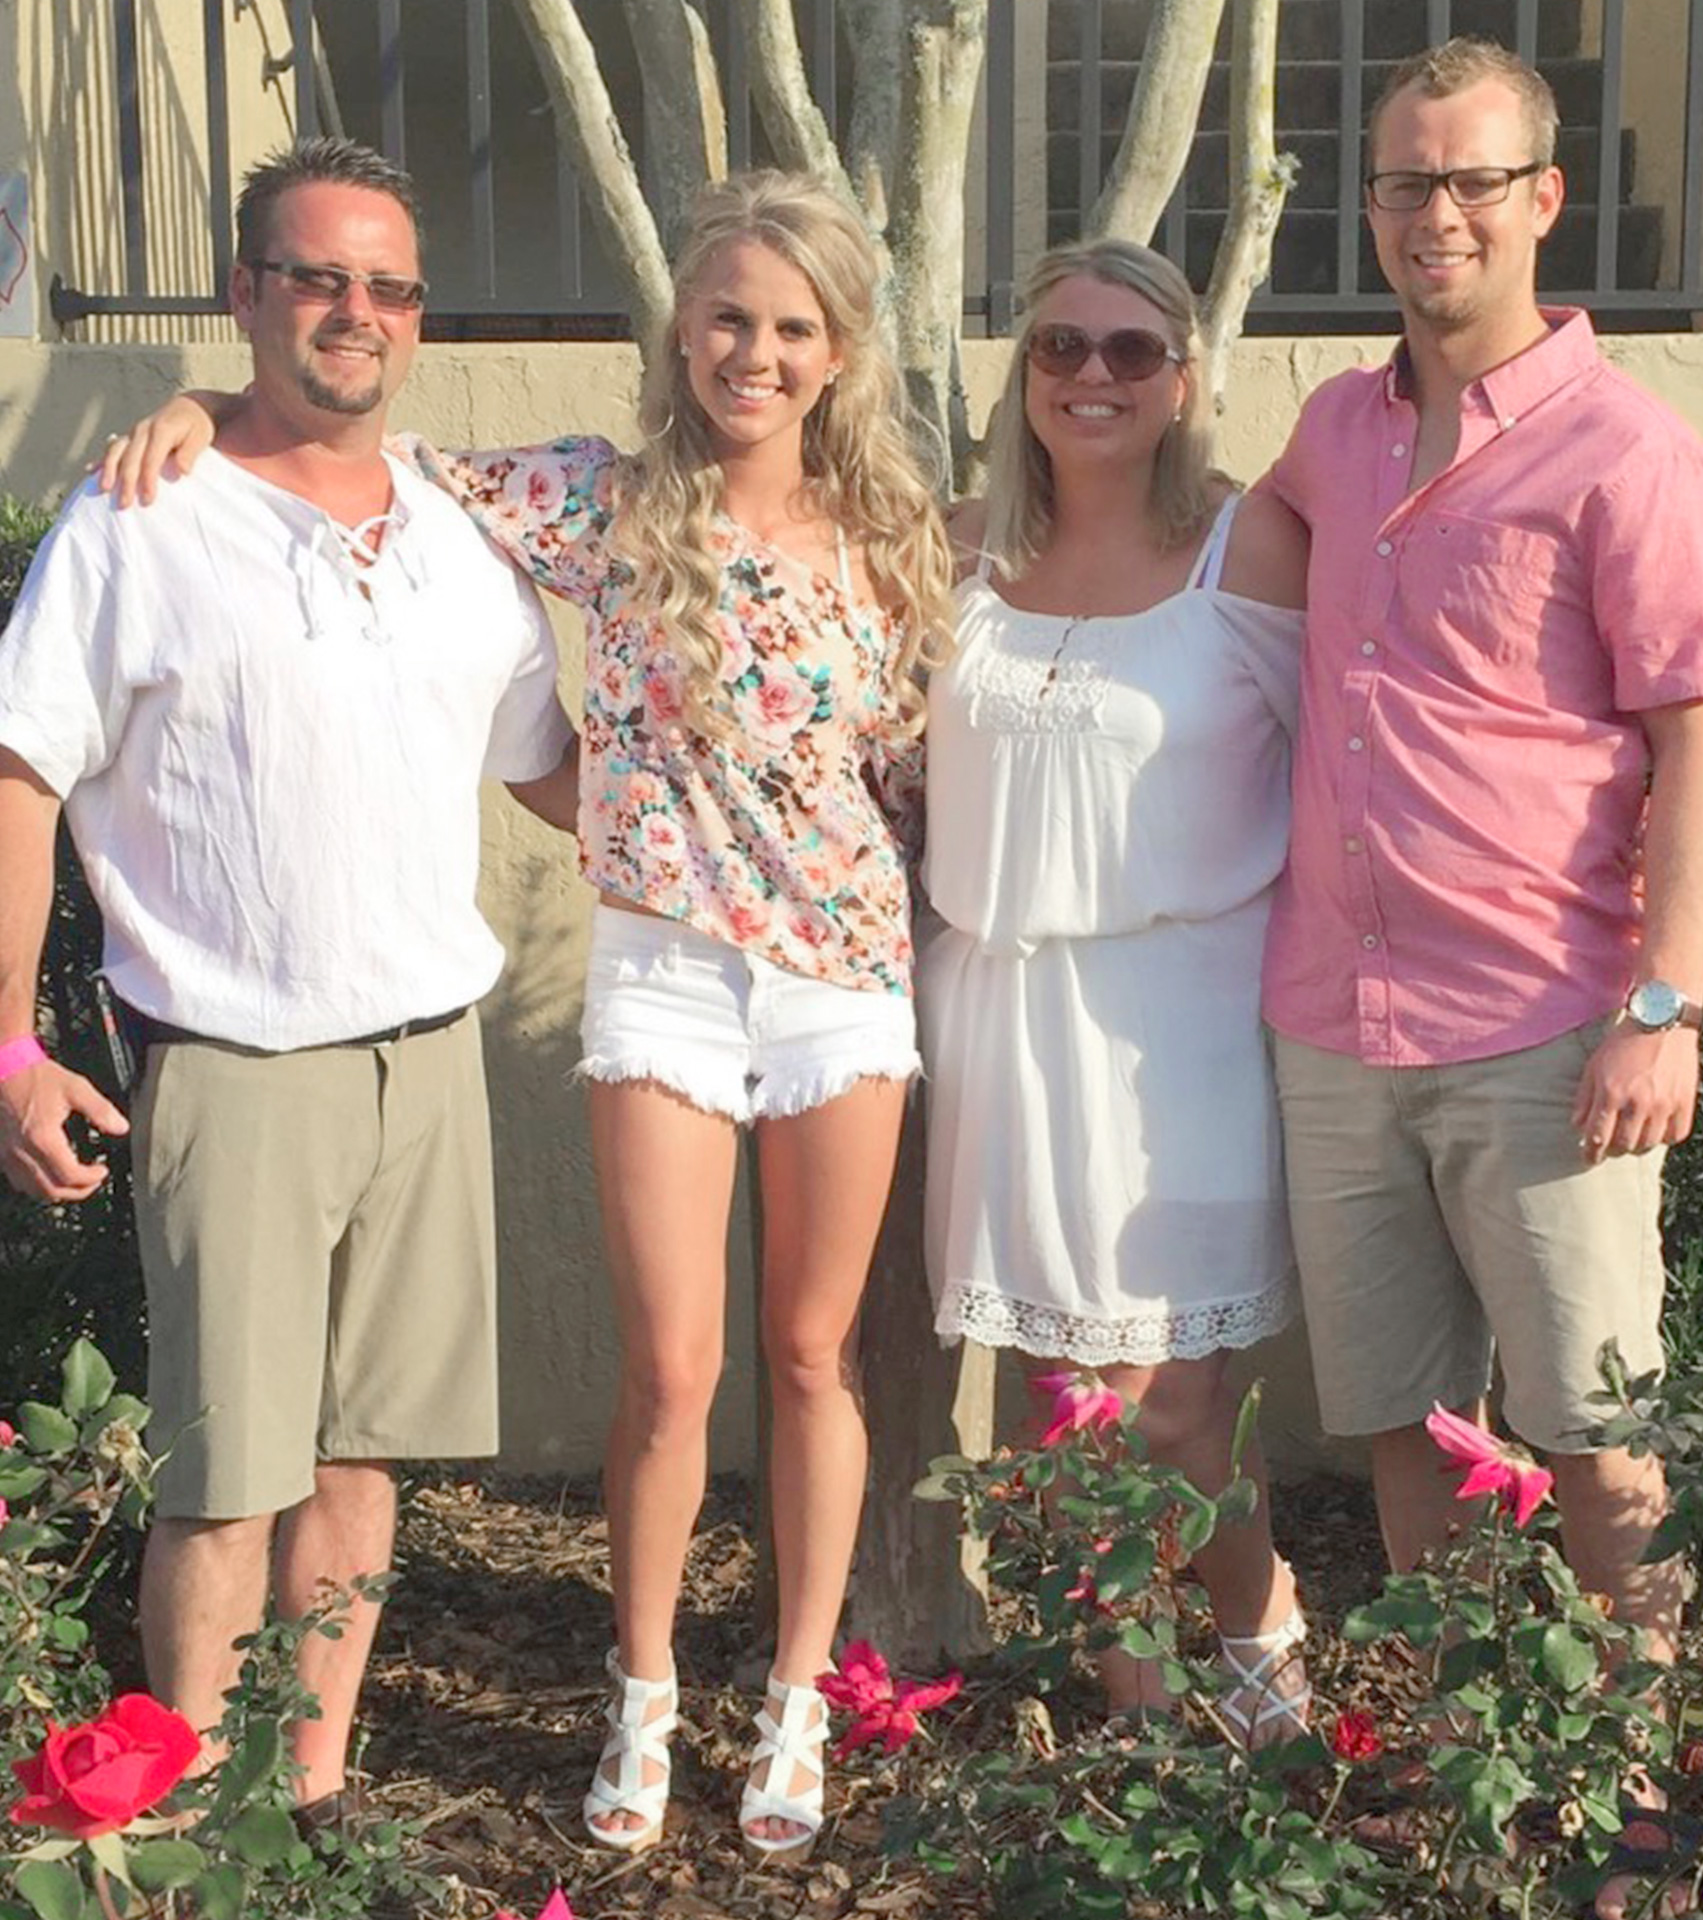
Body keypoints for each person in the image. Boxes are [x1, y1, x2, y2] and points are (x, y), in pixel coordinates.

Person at [102, 168, 951, 1861]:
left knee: (809, 1354)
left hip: (844, 980)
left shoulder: (906, 541)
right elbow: (352, 446)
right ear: (678, 329)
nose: (754, 353)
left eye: (792, 328)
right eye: (725, 317)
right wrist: (197, 400)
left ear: (842, 349)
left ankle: (792, 1701)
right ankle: (638, 1697)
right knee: (669, 1369)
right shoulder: (593, 503)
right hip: (663, 977)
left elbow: (921, 781)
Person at [0, 137, 578, 1826]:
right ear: (246, 294)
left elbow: (547, 772)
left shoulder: (461, 537)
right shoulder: (138, 525)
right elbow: (21, 782)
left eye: (391, 286)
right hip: (237, 1074)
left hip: (428, 1063)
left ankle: (307, 1799)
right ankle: (178, 1827)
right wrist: (10, 1055)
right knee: (219, 1487)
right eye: (319, 276)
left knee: (359, 1465)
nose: (358, 312)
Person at [1255, 38, 1703, 1913]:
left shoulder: (1628, 452)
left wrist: (1664, 1001)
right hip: (1335, 1022)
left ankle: (1649, 1800)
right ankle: (1492, 1772)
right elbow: (1245, 576)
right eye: (1402, 183)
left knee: (1599, 1436)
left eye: (1470, 181)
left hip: (1548, 1030)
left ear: (1544, 198)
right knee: (1404, 1426)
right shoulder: (1334, 431)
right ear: (1368, 204)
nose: (1433, 215)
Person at [923, 238, 1314, 1743]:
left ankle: (1253, 1618)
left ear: (1186, 378)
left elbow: (1342, 755)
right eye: (1062, 349)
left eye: (1133, 351)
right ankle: (1139, 1717)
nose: (1095, 376)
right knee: (1056, 1397)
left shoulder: (1253, 550)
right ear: (1023, 377)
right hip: (1003, 1010)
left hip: (1183, 1018)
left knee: (1175, 1399)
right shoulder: (956, 550)